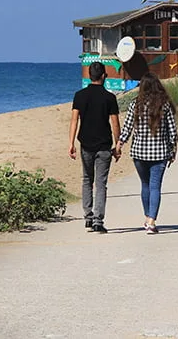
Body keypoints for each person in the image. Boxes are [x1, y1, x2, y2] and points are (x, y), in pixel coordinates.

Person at [116, 72, 178, 234]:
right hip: (160, 153)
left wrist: (120, 143)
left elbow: (127, 128)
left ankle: (147, 217)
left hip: (139, 153)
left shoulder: (134, 105)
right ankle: (151, 221)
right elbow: (172, 131)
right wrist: (173, 149)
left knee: (145, 185)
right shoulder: (164, 105)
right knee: (155, 186)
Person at [68, 61, 120, 234]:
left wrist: (71, 143)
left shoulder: (80, 96)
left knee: (86, 179)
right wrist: (118, 144)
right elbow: (115, 123)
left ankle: (88, 217)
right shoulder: (109, 97)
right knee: (100, 183)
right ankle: (98, 220)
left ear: (90, 76)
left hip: (86, 144)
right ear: (104, 76)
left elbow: (74, 120)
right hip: (104, 145)